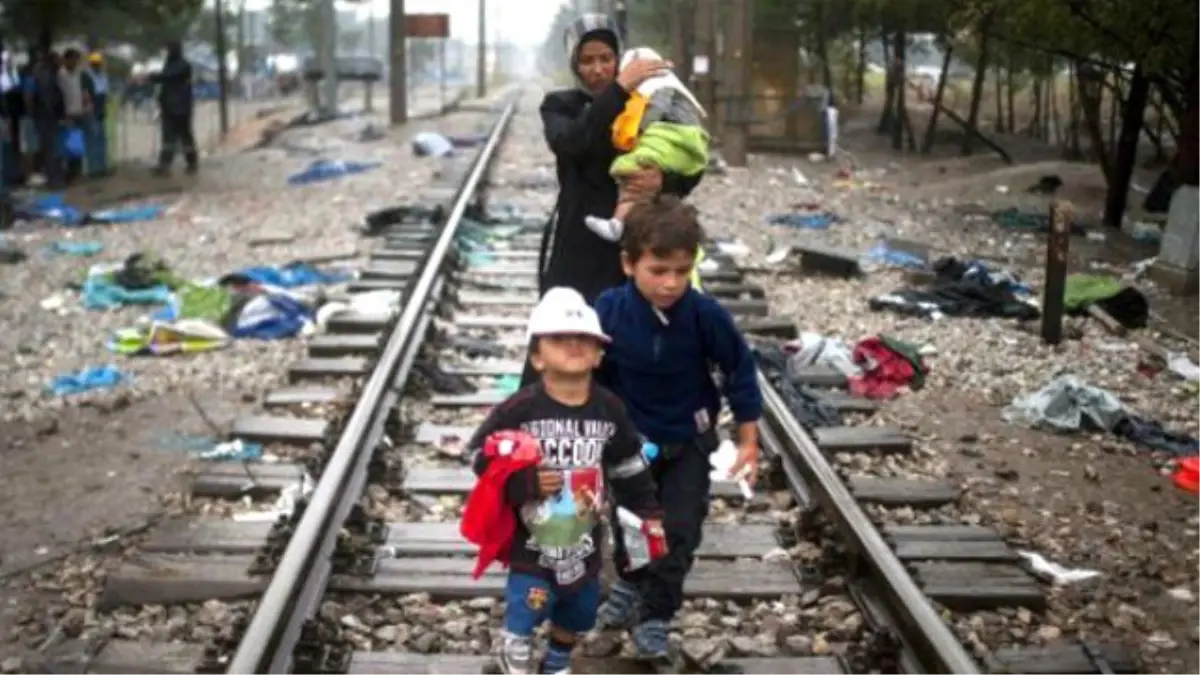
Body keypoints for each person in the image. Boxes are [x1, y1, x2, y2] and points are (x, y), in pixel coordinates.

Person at [591, 196, 763, 662]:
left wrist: (749, 441)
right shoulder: (608, 311)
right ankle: (629, 581)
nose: (671, 283)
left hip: (687, 442)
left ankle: (655, 617)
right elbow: (592, 377)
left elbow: (740, 371)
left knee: (681, 529)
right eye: (659, 269)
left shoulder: (705, 315)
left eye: (682, 271)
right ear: (629, 264)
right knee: (633, 526)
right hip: (631, 447)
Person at [463, 286, 662, 675]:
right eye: (559, 339)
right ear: (537, 356)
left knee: (580, 608)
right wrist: (525, 484)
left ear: (599, 352)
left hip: (585, 541)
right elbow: (477, 457)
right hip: (532, 541)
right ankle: (516, 650)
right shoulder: (518, 409)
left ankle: (556, 661)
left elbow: (627, 467)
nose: (573, 344)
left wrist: (649, 512)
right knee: (527, 603)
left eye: (584, 339)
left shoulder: (610, 408)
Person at [523, 12, 704, 388]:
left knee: (634, 337)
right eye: (587, 61)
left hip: (636, 241)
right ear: (574, 64)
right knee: (562, 328)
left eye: (606, 58)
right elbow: (574, 143)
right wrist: (618, 91)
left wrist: (662, 179)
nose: (598, 69)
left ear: (617, 57)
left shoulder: (647, 103)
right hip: (578, 245)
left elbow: (687, 167)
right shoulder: (561, 106)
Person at [583, 45, 709, 245]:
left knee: (637, 169)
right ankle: (619, 222)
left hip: (676, 136)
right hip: (666, 139)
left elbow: (653, 112)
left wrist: (637, 132)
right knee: (633, 175)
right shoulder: (567, 106)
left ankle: (619, 222)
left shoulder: (661, 88)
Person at [150, 41, 197, 176]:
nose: (166, 52)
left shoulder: (183, 65)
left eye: (168, 49)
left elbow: (169, 76)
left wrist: (153, 77)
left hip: (180, 108)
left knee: (184, 137)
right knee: (169, 138)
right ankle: (165, 164)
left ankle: (191, 162)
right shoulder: (170, 64)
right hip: (170, 107)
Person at [58, 48, 90, 181]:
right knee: (67, 146)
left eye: (77, 60)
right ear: (66, 59)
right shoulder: (60, 75)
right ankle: (68, 174)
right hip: (67, 114)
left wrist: (86, 103)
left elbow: (83, 91)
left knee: (77, 145)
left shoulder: (78, 74)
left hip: (79, 112)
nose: (75, 63)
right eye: (73, 59)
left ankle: (77, 172)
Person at [82, 51, 109, 177]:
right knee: (92, 139)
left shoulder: (103, 76)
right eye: (95, 63)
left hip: (101, 109)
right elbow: (87, 95)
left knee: (101, 139)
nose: (97, 65)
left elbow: (104, 93)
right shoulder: (87, 76)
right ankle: (93, 169)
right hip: (91, 110)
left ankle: (102, 167)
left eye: (98, 63)